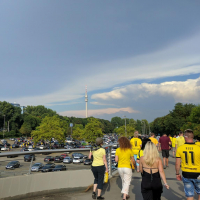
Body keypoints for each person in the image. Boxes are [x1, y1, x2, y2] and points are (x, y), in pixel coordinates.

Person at [176, 129, 200, 200]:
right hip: (198, 173)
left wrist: (177, 173)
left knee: (189, 195)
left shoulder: (180, 148)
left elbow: (177, 163)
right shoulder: (198, 148)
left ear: (185, 137)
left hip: (186, 174)